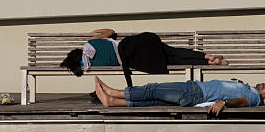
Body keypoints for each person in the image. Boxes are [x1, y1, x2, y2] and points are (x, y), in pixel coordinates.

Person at [60, 29, 228, 87]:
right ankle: (206, 56)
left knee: (174, 61)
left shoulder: (89, 65)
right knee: (174, 51)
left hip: (136, 58)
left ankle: (207, 61)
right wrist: (95, 34)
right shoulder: (91, 43)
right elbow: (110, 31)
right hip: (138, 43)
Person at [94, 76, 265, 115]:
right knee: (153, 100)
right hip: (195, 95)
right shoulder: (249, 88)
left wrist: (224, 102)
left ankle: (113, 92)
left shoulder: (255, 98)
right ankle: (112, 102)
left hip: (195, 92)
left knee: (153, 89)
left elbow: (241, 101)